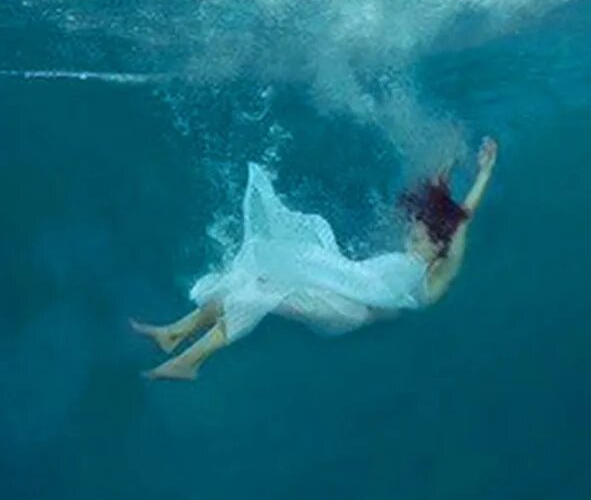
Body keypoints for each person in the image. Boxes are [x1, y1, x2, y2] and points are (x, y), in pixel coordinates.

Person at [132, 137, 498, 380]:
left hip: (347, 312)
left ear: (440, 245)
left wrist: (485, 172)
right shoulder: (422, 249)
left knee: (263, 293)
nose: (413, 233)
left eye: (423, 235)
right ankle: (175, 333)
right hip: (339, 290)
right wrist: (447, 163)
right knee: (256, 279)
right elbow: (439, 208)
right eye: (416, 230)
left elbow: (462, 218)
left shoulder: (436, 277)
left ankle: (190, 362)